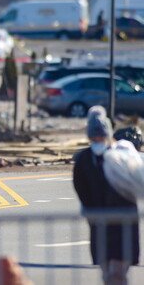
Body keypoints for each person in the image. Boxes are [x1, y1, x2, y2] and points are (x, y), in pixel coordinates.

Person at [73, 106, 139, 285]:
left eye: (101, 137)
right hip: (100, 226)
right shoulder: (84, 160)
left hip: (122, 225)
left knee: (117, 274)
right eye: (94, 138)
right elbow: (82, 189)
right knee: (106, 274)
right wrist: (91, 212)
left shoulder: (122, 157)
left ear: (108, 136)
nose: (98, 141)